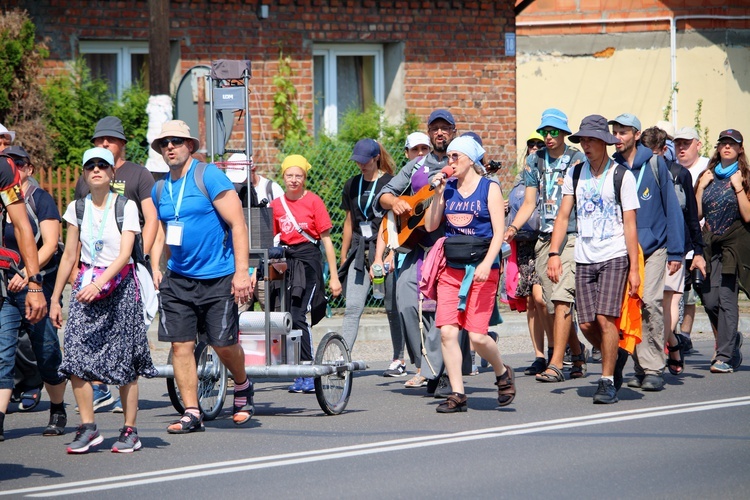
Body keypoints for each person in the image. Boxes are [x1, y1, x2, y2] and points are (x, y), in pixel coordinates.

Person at [150, 120, 254, 432]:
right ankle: (192, 411)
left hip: (218, 276)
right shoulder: (160, 188)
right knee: (180, 346)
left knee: (223, 344)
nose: (170, 146)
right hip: (178, 279)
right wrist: (156, 266)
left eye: (177, 141)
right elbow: (162, 232)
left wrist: (241, 273)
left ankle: (242, 384)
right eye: (165, 142)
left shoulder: (208, 175)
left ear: (190, 146)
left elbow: (238, 224)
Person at [49, 147, 155, 453]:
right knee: (75, 357)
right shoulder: (77, 208)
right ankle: (89, 427)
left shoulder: (126, 206)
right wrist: (56, 298)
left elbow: (125, 254)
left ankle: (130, 431)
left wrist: (99, 282)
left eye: (102, 165)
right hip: (85, 289)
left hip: (120, 290)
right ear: (84, 173)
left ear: (112, 174)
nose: (96, 169)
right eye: (90, 166)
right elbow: (69, 254)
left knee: (124, 361)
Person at [548, 115, 640, 404]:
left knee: (605, 317)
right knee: (587, 324)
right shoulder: (576, 174)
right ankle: (617, 357)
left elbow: (630, 223)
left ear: (604, 143)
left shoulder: (621, 176)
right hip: (584, 257)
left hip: (614, 254)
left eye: (590, 140)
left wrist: (635, 269)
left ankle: (607, 379)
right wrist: (554, 253)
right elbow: (562, 217)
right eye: (582, 140)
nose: (585, 145)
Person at [424, 136, 515, 412]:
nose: (449, 162)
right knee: (448, 333)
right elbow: (430, 226)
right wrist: (438, 193)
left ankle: (502, 371)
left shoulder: (490, 188)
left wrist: (488, 263)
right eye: (447, 157)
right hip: (452, 268)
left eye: (455, 157)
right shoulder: (448, 189)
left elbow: (499, 232)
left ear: (470, 159)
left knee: (476, 336)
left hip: (482, 266)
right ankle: (457, 393)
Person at [74, 116, 157, 413]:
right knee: (90, 333)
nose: (104, 143)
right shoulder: (86, 178)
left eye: (109, 139)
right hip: (91, 268)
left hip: (126, 264)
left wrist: (142, 256)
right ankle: (99, 388)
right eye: (99, 140)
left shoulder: (138, 174)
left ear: (122, 143)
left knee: (123, 334)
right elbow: (79, 225)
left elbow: (152, 217)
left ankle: (122, 394)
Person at [375, 109, 458, 396]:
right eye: (434, 128)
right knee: (405, 303)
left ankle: (442, 371)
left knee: (441, 311)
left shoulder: (460, 162)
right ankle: (425, 364)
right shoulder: (417, 165)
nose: (439, 133)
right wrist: (395, 202)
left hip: (448, 246)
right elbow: (384, 194)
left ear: (453, 132)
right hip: (416, 245)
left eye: (444, 128)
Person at [505, 109, 588, 383]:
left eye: (553, 131)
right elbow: (529, 202)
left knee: (562, 298)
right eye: (544, 132)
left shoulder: (577, 159)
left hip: (571, 236)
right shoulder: (534, 160)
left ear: (564, 132)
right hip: (543, 237)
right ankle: (577, 353)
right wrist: (513, 228)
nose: (548, 137)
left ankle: (556, 362)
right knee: (544, 301)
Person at [610, 113, 683, 392]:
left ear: (636, 135)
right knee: (631, 305)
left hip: (655, 248)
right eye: (615, 132)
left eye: (623, 132)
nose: (617, 137)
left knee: (651, 302)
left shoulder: (654, 164)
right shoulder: (612, 167)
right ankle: (639, 366)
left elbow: (672, 209)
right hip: (624, 249)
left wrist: (676, 252)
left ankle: (653, 367)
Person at [0, 146, 67, 437]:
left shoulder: (40, 199)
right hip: (5, 286)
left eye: (20, 163)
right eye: (11, 162)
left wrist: (28, 276)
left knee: (47, 351)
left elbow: (49, 245)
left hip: (35, 283)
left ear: (28, 168)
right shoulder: (3, 198)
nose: (15, 167)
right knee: (2, 353)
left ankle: (58, 407)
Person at [270, 154, 342, 393]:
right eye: (289, 175)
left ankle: (308, 369)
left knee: (300, 314)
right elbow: (271, 237)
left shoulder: (313, 202)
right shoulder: (277, 204)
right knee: (288, 315)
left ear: (304, 177)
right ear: (283, 176)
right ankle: (298, 371)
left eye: (298, 176)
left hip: (308, 261)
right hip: (287, 262)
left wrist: (333, 276)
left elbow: (326, 240)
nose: (293, 180)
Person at [640, 127, 704, 376]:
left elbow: (689, 216)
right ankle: (671, 344)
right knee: (651, 304)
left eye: (653, 152)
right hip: (650, 248)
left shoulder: (679, 173)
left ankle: (666, 347)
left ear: (662, 150)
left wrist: (697, 250)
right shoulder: (637, 174)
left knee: (667, 304)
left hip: (675, 248)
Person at [338, 139, 399, 366]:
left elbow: (397, 221)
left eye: (365, 161)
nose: (361, 165)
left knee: (392, 308)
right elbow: (349, 221)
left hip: (384, 249)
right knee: (352, 307)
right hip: (358, 250)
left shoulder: (390, 183)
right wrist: (344, 255)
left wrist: (391, 253)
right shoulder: (351, 184)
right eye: (357, 161)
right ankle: (344, 359)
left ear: (375, 158)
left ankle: (398, 359)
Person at [694, 129, 750, 373]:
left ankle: (724, 356)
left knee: (727, 299)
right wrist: (700, 188)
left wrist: (738, 187)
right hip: (710, 244)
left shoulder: (745, 176)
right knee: (708, 299)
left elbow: (748, 215)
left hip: (734, 244)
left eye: (732, 144)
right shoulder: (707, 175)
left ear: (740, 149)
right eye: (723, 143)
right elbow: (697, 215)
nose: (727, 147)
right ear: (718, 148)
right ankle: (732, 338)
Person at [673, 126, 709, 353]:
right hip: (677, 239)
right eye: (678, 144)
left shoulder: (707, 168)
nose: (681, 148)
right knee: (681, 292)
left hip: (702, 239)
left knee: (700, 293)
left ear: (698, 144)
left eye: (686, 143)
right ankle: (679, 336)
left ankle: (685, 334)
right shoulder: (672, 168)